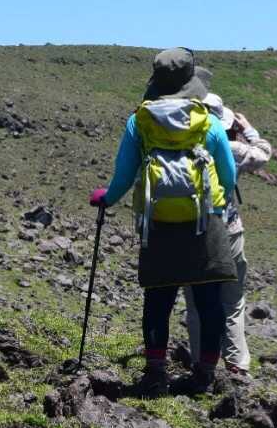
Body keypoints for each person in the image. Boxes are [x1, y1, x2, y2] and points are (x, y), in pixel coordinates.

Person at [90, 48, 237, 396]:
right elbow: (228, 176)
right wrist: (216, 204)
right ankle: (205, 376)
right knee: (209, 302)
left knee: (158, 301)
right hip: (205, 221)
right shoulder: (209, 123)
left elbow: (124, 175)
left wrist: (106, 198)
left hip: (157, 222)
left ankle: (156, 374)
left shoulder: (139, 122)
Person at [184, 93, 271, 381]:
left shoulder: (179, 144)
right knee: (232, 300)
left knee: (195, 303)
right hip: (228, 229)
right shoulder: (232, 147)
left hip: (189, 230)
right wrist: (248, 129)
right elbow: (263, 153)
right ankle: (236, 364)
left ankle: (200, 363)